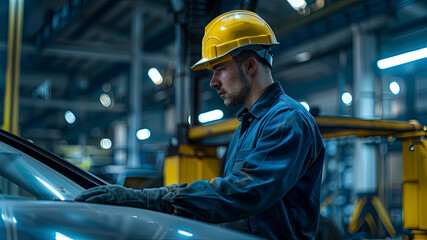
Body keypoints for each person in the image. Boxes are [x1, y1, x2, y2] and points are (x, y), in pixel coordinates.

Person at [76, 10, 325, 240]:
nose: (213, 82)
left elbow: (245, 194)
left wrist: (149, 199)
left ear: (250, 65)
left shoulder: (287, 120)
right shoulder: (247, 126)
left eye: (219, 69)